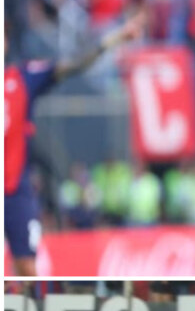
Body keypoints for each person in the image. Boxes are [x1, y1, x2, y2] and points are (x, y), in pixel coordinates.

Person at [5, 14, 143, 275]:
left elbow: (75, 64)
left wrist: (114, 39)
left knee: (27, 268)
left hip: (14, 191)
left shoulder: (22, 78)